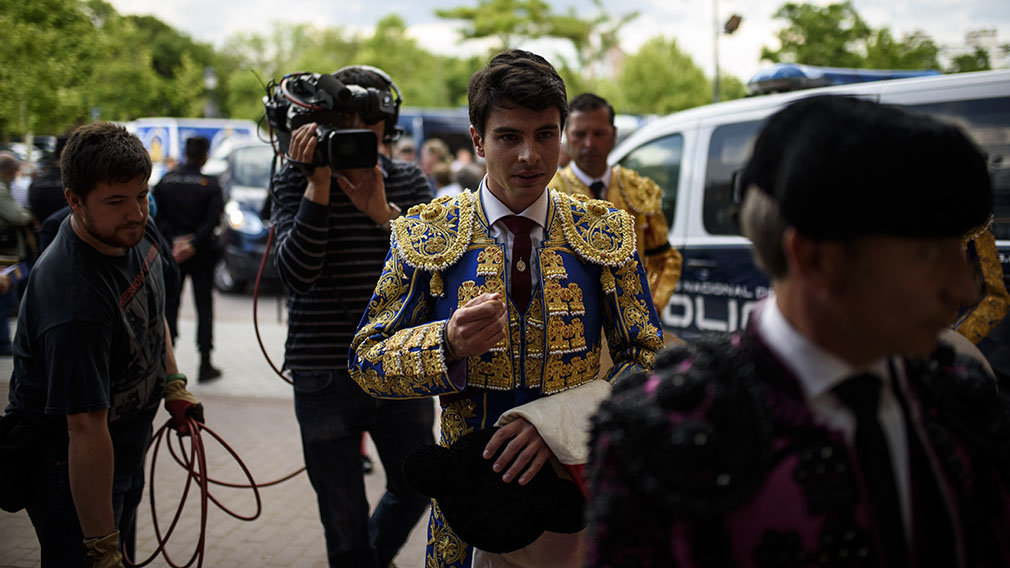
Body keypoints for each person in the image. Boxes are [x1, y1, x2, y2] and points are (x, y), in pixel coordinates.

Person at [585, 95, 1010, 567]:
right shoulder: (656, 434)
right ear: (814, 259)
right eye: (928, 256)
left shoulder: (961, 398)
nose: (963, 288)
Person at [349, 49, 664, 568]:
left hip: (572, 483)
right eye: (509, 137)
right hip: (466, 497)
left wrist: (557, 423)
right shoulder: (428, 233)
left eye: (545, 134)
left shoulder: (603, 232)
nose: (529, 155)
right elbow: (367, 360)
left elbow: (648, 358)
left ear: (561, 136)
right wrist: (446, 343)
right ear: (478, 140)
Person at [4, 122, 203, 566]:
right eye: (116, 201)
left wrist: (172, 382)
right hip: (71, 472)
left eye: (141, 195)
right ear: (74, 200)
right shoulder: (74, 301)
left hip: (125, 451)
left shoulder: (135, 229)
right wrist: (100, 543)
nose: (135, 212)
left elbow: (151, 313)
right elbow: (84, 430)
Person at [271, 64, 436, 568]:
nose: (357, 133)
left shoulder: (408, 179)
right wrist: (317, 187)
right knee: (343, 526)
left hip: (398, 364)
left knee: (417, 485)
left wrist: (383, 214)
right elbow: (295, 275)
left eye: (368, 123)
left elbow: (435, 268)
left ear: (386, 127)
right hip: (323, 370)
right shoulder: (294, 179)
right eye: (345, 123)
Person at [551, 93, 682, 314]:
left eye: (598, 134)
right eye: (580, 134)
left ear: (613, 135)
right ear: (566, 137)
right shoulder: (550, 192)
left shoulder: (638, 189)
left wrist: (648, 308)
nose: (589, 144)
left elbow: (665, 259)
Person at [154, 136, 225, 382]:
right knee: (204, 307)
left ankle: (166, 364)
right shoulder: (211, 185)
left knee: (169, 306)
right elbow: (213, 220)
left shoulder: (166, 181)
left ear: (185, 153)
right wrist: (193, 243)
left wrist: (175, 241)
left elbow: (155, 215)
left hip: (172, 253)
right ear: (205, 156)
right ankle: (205, 364)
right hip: (201, 253)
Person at [0, 151, 34, 355]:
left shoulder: (6, 188)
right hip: (6, 255)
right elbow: (18, 216)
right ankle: (3, 343)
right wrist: (28, 215)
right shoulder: (1, 190)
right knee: (7, 298)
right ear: (11, 170)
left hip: (8, 254)